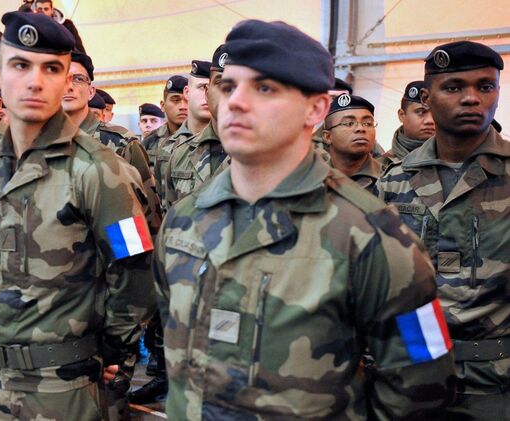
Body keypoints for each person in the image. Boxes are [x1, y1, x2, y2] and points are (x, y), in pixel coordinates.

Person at [154, 19, 456, 420]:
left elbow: (422, 383)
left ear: (316, 108)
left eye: (264, 88)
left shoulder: (373, 234)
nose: (236, 102)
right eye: (228, 86)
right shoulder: (183, 220)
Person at [0, 12, 155, 420]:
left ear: (67, 79)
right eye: (21, 65)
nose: (35, 81)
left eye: (51, 69)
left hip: (62, 385)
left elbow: (135, 268)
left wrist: (112, 349)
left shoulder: (99, 169)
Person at [378, 41, 510, 419]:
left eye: (485, 86)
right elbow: (383, 284)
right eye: (453, 87)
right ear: (428, 97)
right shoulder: (395, 181)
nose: (471, 98)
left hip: (497, 383)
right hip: (413, 375)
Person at [163, 44, 231, 208]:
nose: (227, 92)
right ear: (207, 93)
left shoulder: (267, 154)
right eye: (220, 82)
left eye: (236, 85)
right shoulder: (181, 155)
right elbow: (169, 216)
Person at [153, 61, 211, 205]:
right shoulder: (168, 148)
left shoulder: (235, 144)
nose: (207, 94)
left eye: (215, 87)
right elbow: (163, 206)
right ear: (187, 92)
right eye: (202, 87)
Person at [323, 93, 382, 194]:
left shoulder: (390, 179)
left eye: (368, 123)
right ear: (327, 137)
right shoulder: (312, 179)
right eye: (349, 123)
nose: (361, 128)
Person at [143, 75, 188, 193]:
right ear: (163, 106)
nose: (183, 107)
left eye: (187, 101)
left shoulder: (202, 138)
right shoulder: (149, 143)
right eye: (176, 100)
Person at [379, 80, 435, 167]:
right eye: (421, 112)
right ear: (401, 115)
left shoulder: (454, 160)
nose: (430, 120)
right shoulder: (381, 166)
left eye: (435, 113)